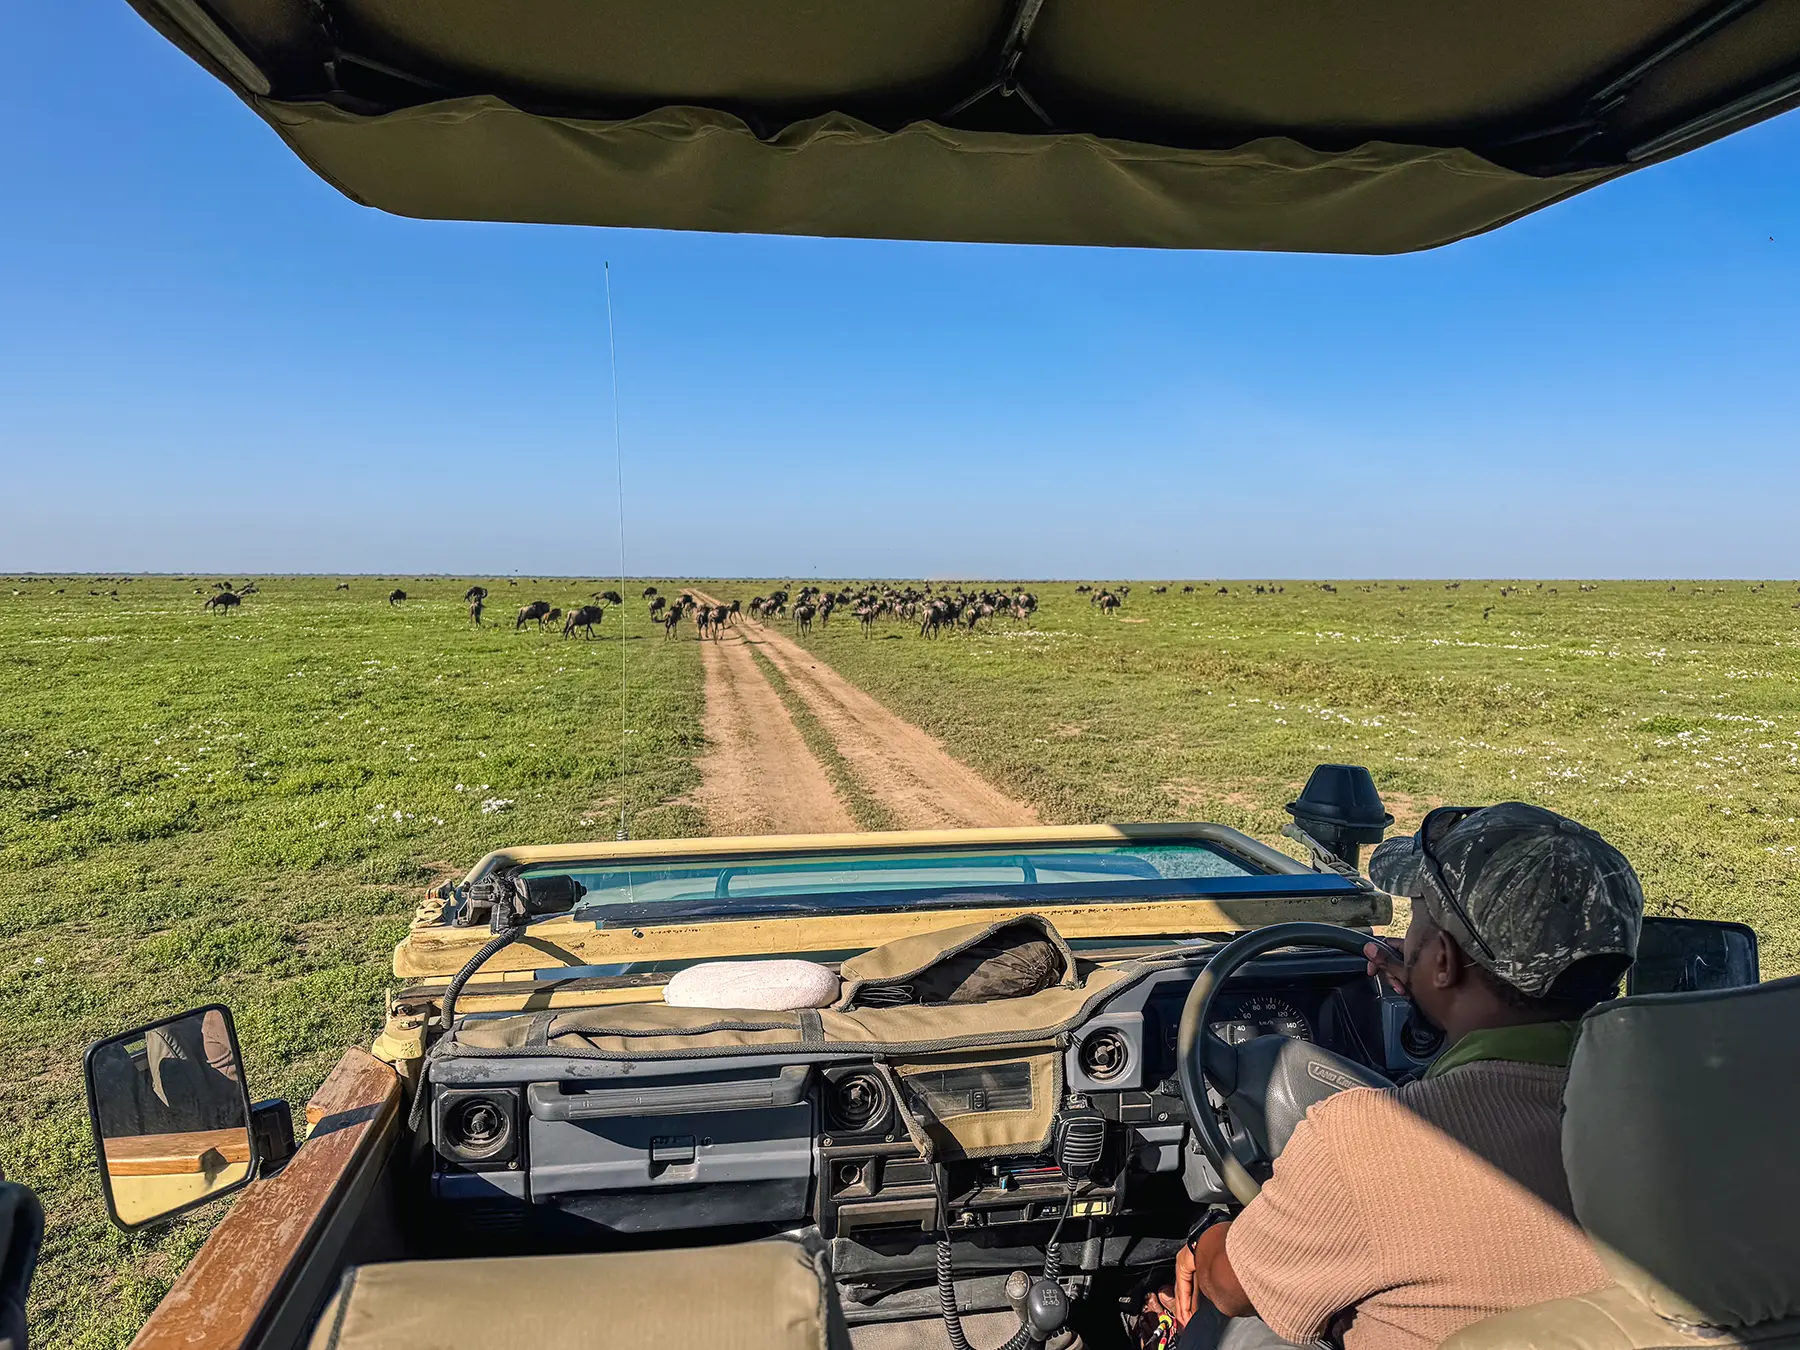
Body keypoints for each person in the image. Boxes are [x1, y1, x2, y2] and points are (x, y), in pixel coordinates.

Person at [1165, 802, 1644, 1350]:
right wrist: (1436, 996)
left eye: (1416, 915)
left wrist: (1207, 1240)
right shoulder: (1691, 1107)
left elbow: (1232, 1287)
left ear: (1443, 958)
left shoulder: (1368, 1139)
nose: (1405, 934)